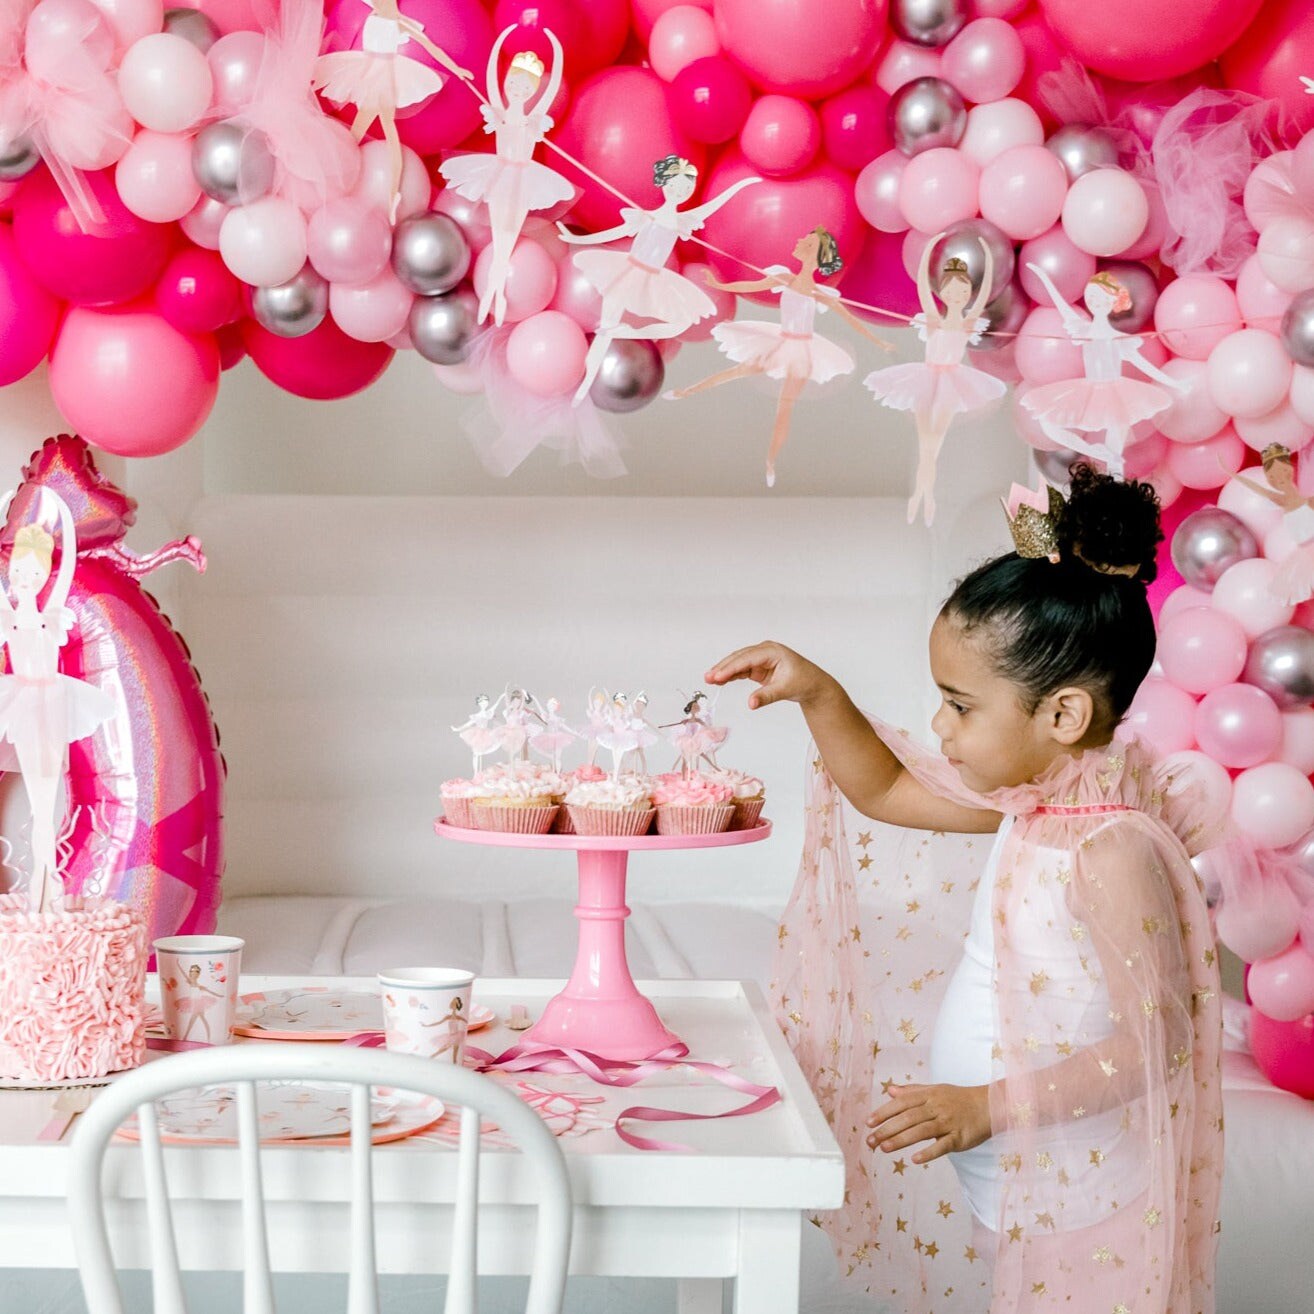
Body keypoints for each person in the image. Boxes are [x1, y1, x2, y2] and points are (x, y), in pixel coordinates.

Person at [706, 464, 1222, 1312]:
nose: (940, 729)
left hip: (1082, 1199)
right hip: (1029, 1188)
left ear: (1061, 717)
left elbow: (1153, 1044)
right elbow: (883, 791)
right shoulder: (1035, 804)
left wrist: (989, 1106)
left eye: (959, 706)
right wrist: (819, 691)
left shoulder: (1108, 846)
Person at [665, 227, 893, 487]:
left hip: (803, 350)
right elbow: (752, 284)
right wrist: (720, 285)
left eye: (805, 241)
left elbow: (852, 320)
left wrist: (879, 341)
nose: (798, 239)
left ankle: (771, 462)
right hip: (780, 342)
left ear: (813, 254)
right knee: (738, 371)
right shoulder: (784, 278)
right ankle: (687, 391)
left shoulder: (820, 293)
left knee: (784, 408)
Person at [0, 490, 116, 914]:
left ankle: (47, 882)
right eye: (18, 569)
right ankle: (39, 886)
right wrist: (6, 505)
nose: (25, 577)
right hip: (24, 702)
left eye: (33, 570)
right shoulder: (9, 615)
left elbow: (67, 568)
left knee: (48, 802)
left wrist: (64, 515)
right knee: (36, 795)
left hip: (51, 701)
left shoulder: (51, 613)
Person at [864, 238, 1006, 525]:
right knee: (925, 443)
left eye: (963, 289)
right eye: (951, 289)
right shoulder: (932, 319)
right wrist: (929, 250)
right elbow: (921, 287)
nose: (957, 294)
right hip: (927, 379)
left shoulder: (968, 322)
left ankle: (924, 496)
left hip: (951, 384)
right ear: (942, 290)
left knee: (934, 444)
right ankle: (922, 496)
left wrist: (988, 260)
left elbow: (983, 295)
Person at [439, 26, 573, 326]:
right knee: (501, 241)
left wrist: (556, 49)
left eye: (526, 87)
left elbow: (549, 92)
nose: (518, 90)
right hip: (500, 175)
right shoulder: (498, 111)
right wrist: (499, 40)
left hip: (522, 181)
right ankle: (493, 297)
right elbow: (489, 76)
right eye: (514, 82)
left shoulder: (533, 118)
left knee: (506, 241)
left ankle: (493, 296)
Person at [1235, 443, 1314, 604]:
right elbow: (1258, 489)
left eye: (1284, 471)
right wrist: (1232, 475)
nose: (1282, 478)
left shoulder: (1304, 493)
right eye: (1274, 476)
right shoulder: (1282, 498)